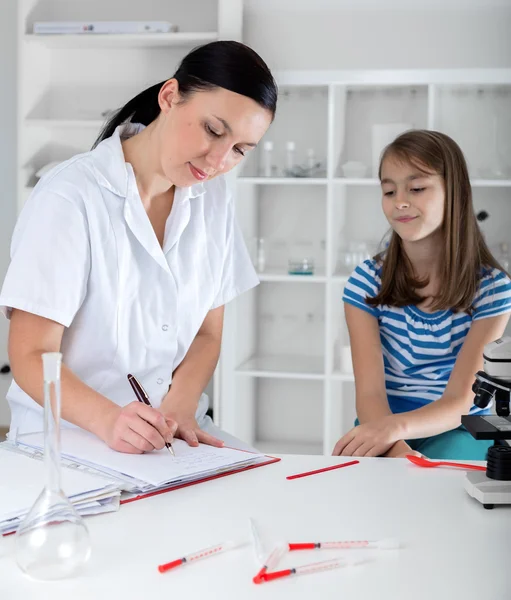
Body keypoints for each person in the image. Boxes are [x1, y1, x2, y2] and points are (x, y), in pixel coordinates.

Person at [0, 41, 277, 454]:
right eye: (213, 130)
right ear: (169, 97)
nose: (219, 160)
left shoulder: (214, 199)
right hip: (68, 439)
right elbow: (31, 353)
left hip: (169, 435)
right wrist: (109, 420)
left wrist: (180, 407)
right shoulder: (70, 195)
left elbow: (207, 333)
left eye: (239, 150)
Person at [333, 130, 511, 460]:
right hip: (383, 420)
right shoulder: (365, 283)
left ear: (454, 193)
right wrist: (395, 447)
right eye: (389, 190)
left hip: (462, 424)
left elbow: (461, 399)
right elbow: (370, 393)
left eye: (416, 188)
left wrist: (397, 435)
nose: (400, 200)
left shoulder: (492, 288)